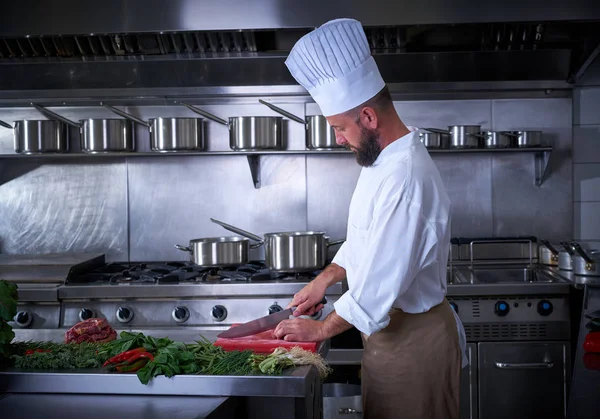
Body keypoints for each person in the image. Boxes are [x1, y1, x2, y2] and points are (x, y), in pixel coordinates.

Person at [273, 18, 468, 419]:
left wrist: (322, 328)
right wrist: (324, 279)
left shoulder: (407, 176)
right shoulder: (381, 163)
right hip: (387, 339)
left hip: (414, 344)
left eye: (339, 128)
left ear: (368, 117)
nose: (338, 139)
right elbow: (365, 239)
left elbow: (382, 279)